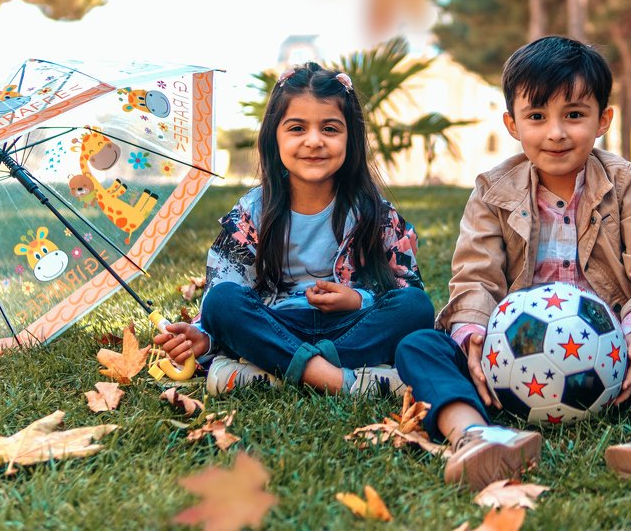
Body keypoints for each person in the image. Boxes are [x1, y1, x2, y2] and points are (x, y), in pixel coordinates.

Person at [395, 36, 631, 491]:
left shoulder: (627, 185)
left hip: (611, 364)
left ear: (602, 120)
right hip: (508, 366)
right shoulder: (492, 192)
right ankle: (475, 436)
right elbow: (475, 276)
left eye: (573, 115)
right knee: (419, 346)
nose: (556, 132)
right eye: (537, 116)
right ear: (512, 124)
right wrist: (474, 337)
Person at [155, 63, 435, 398]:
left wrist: (358, 300)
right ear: (275, 136)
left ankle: (272, 374)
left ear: (351, 137)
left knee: (416, 306)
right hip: (276, 327)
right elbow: (227, 290)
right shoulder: (252, 212)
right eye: (297, 128)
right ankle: (341, 380)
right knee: (221, 302)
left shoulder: (374, 213)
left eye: (330, 129)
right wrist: (206, 336)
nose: (314, 141)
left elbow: (408, 288)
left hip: (349, 330)